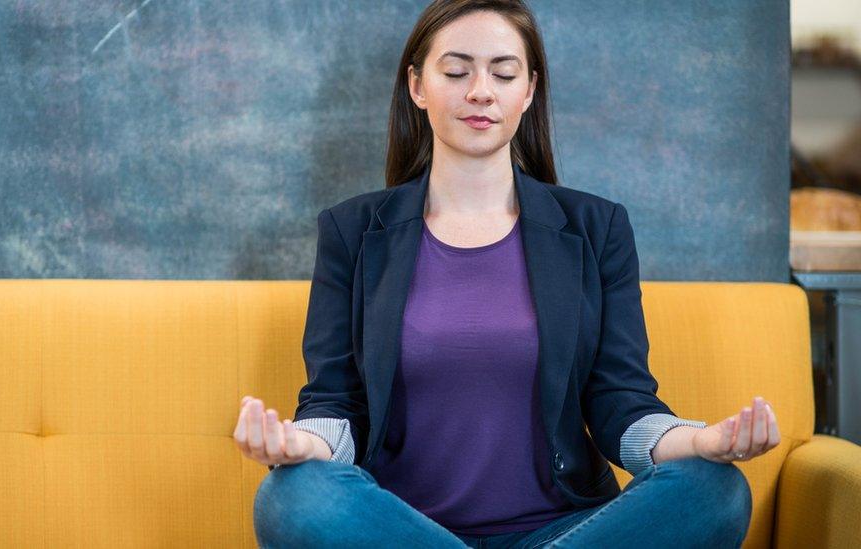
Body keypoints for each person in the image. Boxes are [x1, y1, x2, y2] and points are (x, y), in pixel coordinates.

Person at [236, 1, 779, 547]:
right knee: (291, 494)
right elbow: (337, 403)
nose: (480, 91)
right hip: (397, 530)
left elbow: (621, 401)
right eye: (455, 71)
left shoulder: (596, 228)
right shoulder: (352, 232)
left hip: (564, 531)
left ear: (529, 90)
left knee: (715, 488)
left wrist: (698, 441)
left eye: (503, 72)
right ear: (417, 86)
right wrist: (305, 446)